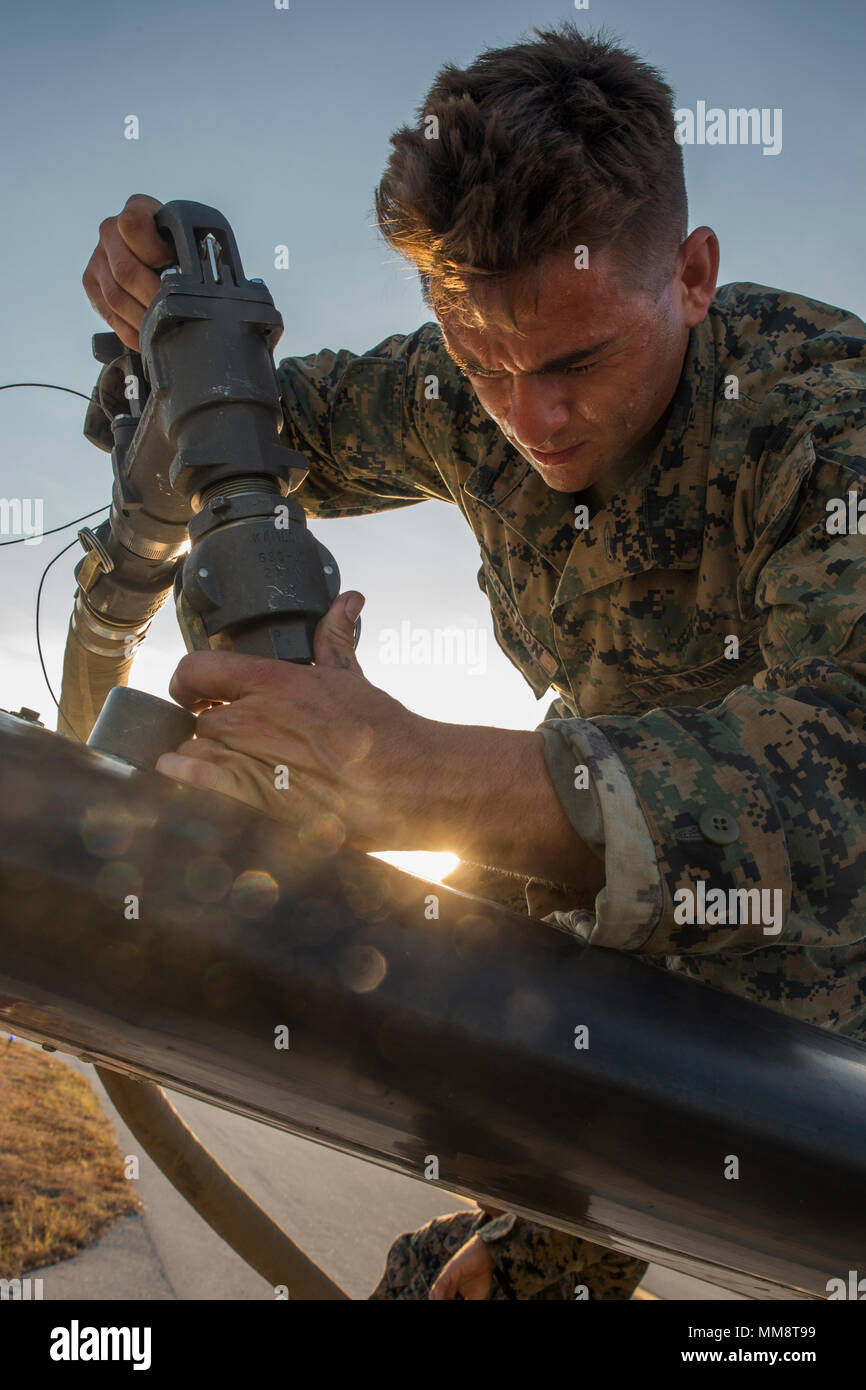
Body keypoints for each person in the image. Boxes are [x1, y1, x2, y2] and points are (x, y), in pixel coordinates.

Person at [81, 23, 866, 1301]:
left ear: (692, 275)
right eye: (480, 357)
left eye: (575, 360)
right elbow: (274, 430)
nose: (528, 416)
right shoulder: (467, 393)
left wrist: (418, 772)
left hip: (816, 951)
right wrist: (167, 324)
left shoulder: (821, 418)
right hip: (616, 898)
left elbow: (845, 779)